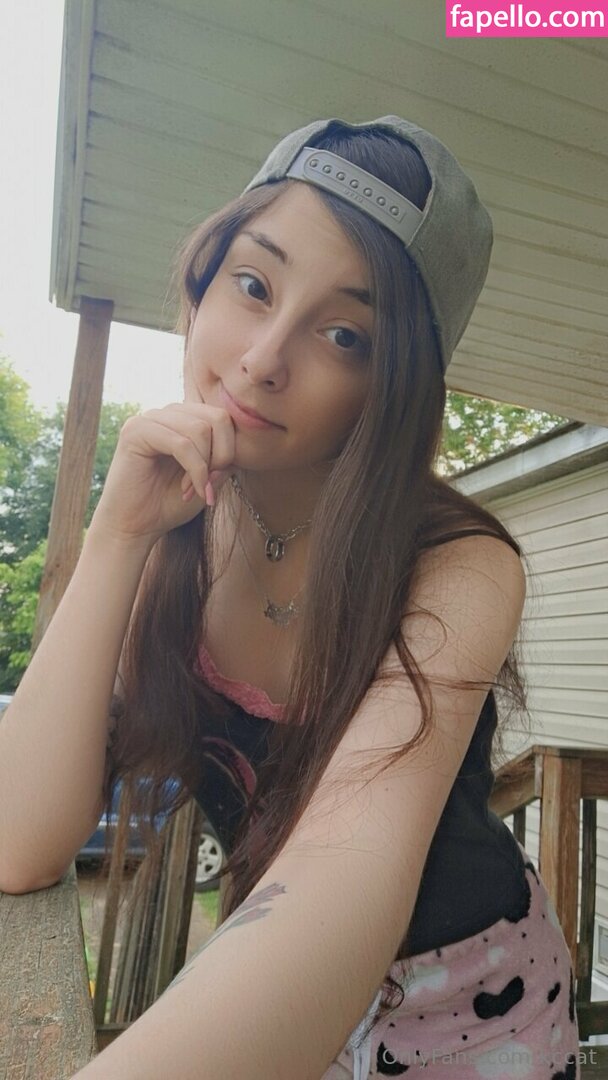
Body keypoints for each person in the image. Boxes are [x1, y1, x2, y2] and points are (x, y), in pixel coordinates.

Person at [0, 117, 580, 1078]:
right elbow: (20, 841)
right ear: (204, 278)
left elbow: (340, 874)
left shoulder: (458, 564)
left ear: (394, 387)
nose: (264, 358)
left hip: (479, 1014)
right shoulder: (172, 535)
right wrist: (117, 536)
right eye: (254, 285)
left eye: (344, 335)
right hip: (273, 1000)